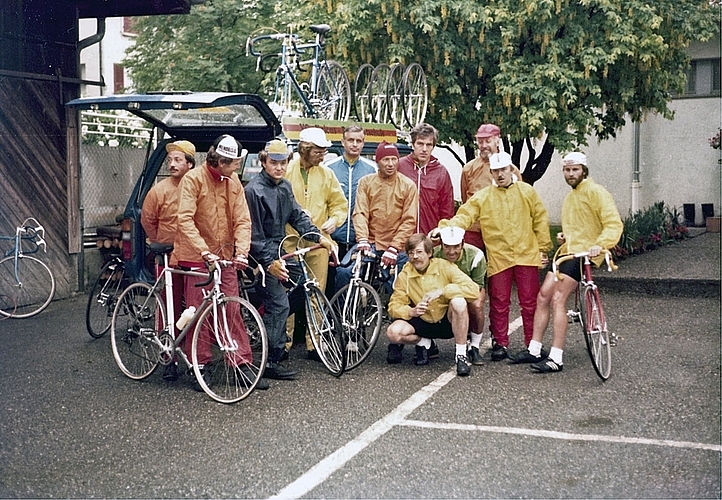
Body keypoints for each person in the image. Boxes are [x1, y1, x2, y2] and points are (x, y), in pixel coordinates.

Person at [434, 151, 552, 362]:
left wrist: (543, 248)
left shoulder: (527, 192)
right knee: (499, 301)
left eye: (503, 170)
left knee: (530, 301)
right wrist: (445, 228)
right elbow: (465, 215)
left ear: (511, 170)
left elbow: (540, 219)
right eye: (495, 171)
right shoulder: (483, 196)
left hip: (526, 254)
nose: (499, 174)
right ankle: (500, 342)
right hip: (499, 257)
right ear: (491, 173)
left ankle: (532, 343)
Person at [173, 134, 267, 391]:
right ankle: (198, 364)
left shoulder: (232, 180)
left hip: (224, 255)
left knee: (231, 308)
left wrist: (242, 252)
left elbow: (242, 219)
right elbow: (185, 220)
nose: (239, 165)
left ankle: (240, 362)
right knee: (198, 311)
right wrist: (204, 251)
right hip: (195, 255)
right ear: (221, 161)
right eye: (235, 162)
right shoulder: (193, 180)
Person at [517, 152, 623, 372]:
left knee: (558, 298)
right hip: (568, 252)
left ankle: (556, 357)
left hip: (585, 256)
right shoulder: (571, 197)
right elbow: (579, 225)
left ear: (584, 170)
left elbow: (613, 223)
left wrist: (600, 244)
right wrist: (565, 236)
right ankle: (534, 349)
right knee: (543, 295)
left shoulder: (596, 192)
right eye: (567, 170)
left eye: (575, 169)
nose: (570, 174)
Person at [245, 140, 335, 380]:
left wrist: (319, 237)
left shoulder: (284, 186)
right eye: (273, 162)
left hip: (281, 250)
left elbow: (297, 216)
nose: (279, 167)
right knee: (280, 304)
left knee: (303, 286)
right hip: (261, 255)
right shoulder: (253, 191)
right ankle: (269, 362)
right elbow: (253, 236)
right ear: (263, 162)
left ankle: (269, 322)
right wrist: (268, 263)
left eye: (283, 162)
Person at [284, 127, 346, 360]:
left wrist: (334, 220)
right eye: (319, 151)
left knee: (317, 291)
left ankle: (316, 342)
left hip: (320, 242)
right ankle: (284, 342)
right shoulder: (287, 171)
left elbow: (340, 204)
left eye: (324, 151)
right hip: (290, 242)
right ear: (305, 149)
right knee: (287, 292)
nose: (323, 155)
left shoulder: (327, 174)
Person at [386, 233, 480, 376]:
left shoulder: (445, 266)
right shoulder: (405, 274)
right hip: (422, 321)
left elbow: (473, 290)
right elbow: (393, 306)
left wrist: (442, 291)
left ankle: (461, 356)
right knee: (393, 332)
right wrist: (411, 311)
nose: (415, 257)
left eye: (419, 252)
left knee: (459, 302)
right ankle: (426, 344)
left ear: (430, 253)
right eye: (411, 253)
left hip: (446, 321)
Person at [140, 139, 196, 381]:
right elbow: (147, 221)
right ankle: (168, 358)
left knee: (194, 309)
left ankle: (195, 360)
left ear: (190, 164)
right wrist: (159, 242)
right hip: (167, 257)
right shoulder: (159, 190)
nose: (172, 164)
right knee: (167, 308)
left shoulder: (197, 186)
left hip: (192, 255)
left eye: (178, 160)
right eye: (170, 160)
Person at [335, 141, 418, 294]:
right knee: (344, 272)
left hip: (397, 246)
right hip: (370, 242)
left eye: (394, 159)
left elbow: (409, 220)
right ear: (377, 160)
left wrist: (394, 247)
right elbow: (360, 213)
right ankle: (341, 315)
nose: (391, 164)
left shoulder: (408, 185)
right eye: (386, 159)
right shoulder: (366, 183)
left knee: (400, 283)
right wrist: (362, 240)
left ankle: (396, 315)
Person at [459, 124, 521, 249]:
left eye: (488, 141)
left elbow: (519, 200)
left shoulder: (511, 169)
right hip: (474, 230)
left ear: (497, 141)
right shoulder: (468, 169)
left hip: (500, 229)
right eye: (480, 142)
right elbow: (465, 198)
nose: (484, 145)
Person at [433, 226, 487, 365]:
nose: (451, 251)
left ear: (463, 243)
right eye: (447, 247)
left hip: (470, 288)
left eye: (456, 246)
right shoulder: (433, 254)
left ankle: (474, 346)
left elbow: (477, 287)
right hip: (445, 291)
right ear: (441, 245)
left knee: (477, 304)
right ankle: (426, 342)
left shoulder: (476, 255)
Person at [326, 124, 376, 257]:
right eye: (350, 140)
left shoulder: (372, 169)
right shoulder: (328, 168)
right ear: (343, 142)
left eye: (359, 141)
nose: (355, 144)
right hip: (332, 238)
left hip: (360, 240)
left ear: (363, 143)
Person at [398, 123, 455, 235]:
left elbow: (447, 210)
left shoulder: (441, 172)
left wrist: (442, 233)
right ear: (413, 144)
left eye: (428, 145)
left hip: (429, 238)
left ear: (433, 146)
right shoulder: (399, 166)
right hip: (401, 238)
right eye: (420, 144)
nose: (424, 149)